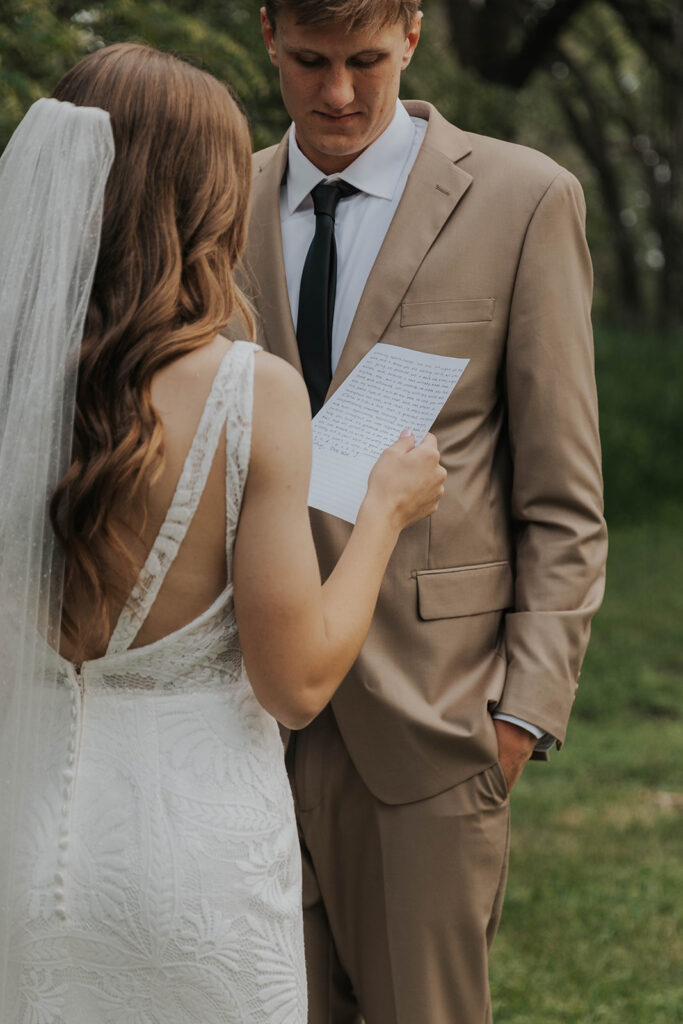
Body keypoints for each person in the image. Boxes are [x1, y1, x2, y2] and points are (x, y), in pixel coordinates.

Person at [0, 43, 446, 1023]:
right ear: (199, 200)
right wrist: (383, 509)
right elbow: (294, 683)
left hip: (20, 857)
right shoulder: (249, 390)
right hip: (193, 869)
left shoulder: (10, 393)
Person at [239, 1, 609, 1021]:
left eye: (364, 59)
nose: (339, 94)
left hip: (433, 726)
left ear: (409, 31)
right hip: (240, 729)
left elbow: (563, 497)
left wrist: (518, 718)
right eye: (310, 61)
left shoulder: (524, 198)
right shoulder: (219, 197)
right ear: (268, 32)